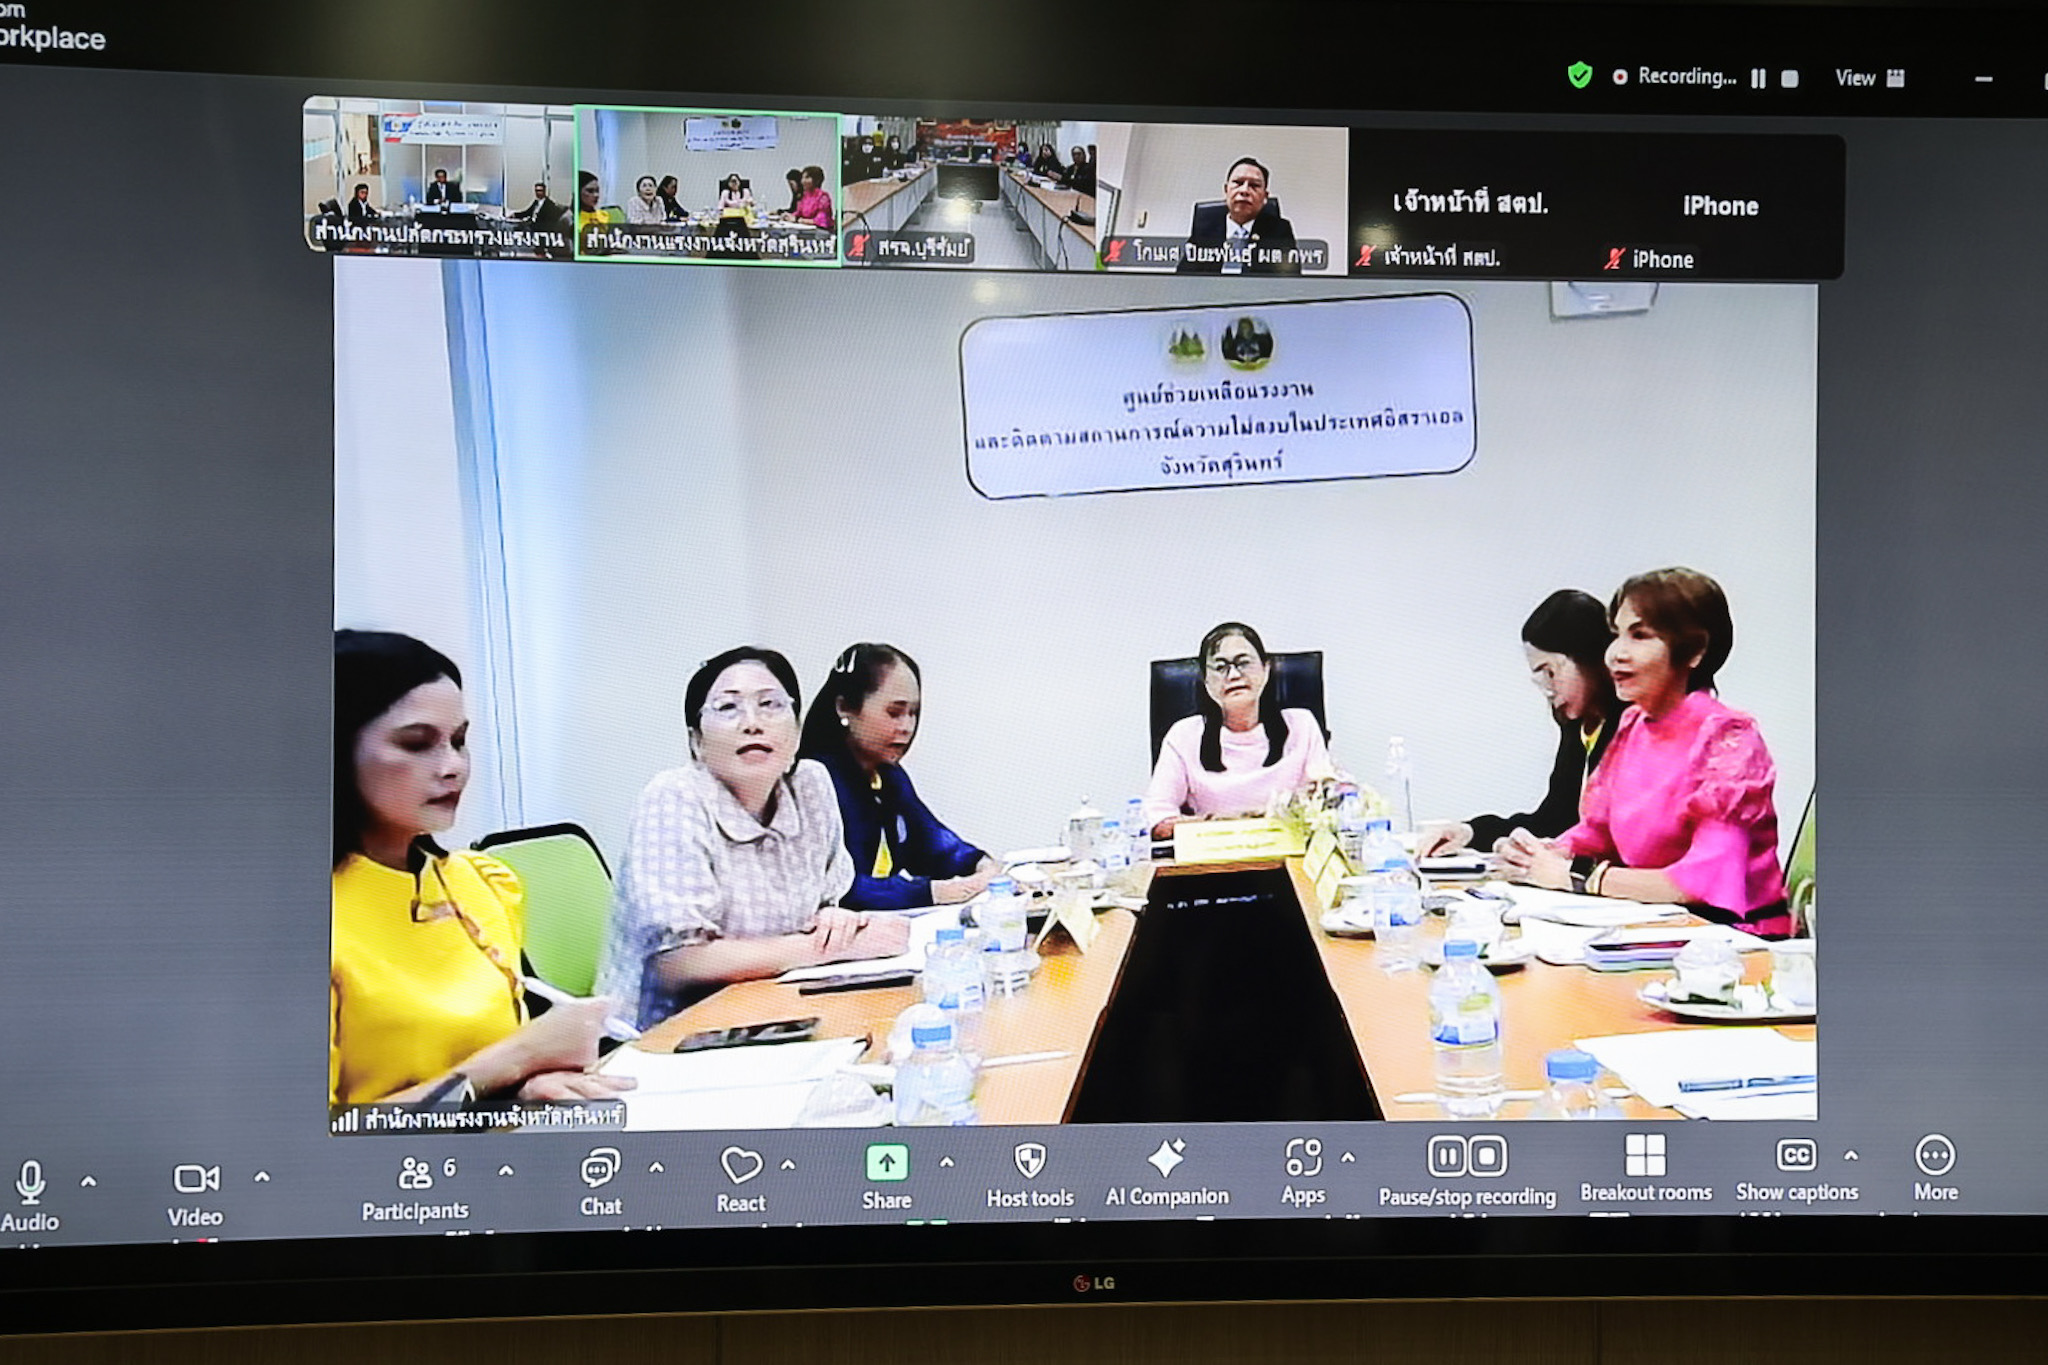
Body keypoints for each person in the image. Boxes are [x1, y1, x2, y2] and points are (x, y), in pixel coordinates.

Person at [330, 630, 632, 1109]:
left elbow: (484, 1073)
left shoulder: (479, 883)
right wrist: (519, 1059)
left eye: (459, 741)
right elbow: (314, 1138)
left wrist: (524, 1085)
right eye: (416, 744)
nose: (453, 766)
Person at [596, 648, 910, 1028]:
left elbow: (824, 902)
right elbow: (677, 963)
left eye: (770, 704)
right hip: (668, 1033)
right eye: (728, 708)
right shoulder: (673, 798)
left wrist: (834, 922)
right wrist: (825, 948)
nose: (752, 723)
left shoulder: (810, 786)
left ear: (797, 732)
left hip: (777, 1011)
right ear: (696, 742)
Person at [1497, 569, 1790, 937]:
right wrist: (1543, 853)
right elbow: (1597, 832)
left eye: (1639, 636)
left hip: (1736, 939)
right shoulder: (1633, 723)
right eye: (1617, 634)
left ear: (1695, 650)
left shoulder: (1728, 737)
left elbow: (1700, 882)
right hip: (1659, 927)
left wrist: (1579, 876)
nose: (1615, 654)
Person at [1418, 590, 1623, 857]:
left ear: (1589, 658)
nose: (1548, 690)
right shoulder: (1579, 731)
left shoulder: (1632, 728)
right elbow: (1553, 820)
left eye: (1551, 672)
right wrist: (1470, 833)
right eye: (1540, 679)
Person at [798, 643, 999, 912]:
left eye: (913, 713)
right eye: (894, 713)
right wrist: (935, 892)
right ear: (845, 707)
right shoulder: (813, 782)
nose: (906, 727)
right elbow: (837, 887)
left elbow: (933, 844)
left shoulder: (889, 777)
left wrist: (982, 865)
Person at [1142, 622, 1332, 839]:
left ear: (1266, 669)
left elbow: (1328, 798)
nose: (1233, 675)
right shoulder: (1183, 736)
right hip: (1214, 854)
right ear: (1206, 681)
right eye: (1220, 667)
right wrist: (1221, 825)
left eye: (1243, 663)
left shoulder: (1302, 725)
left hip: (1291, 853)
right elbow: (1157, 818)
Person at [1176, 156, 1300, 277]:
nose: (1244, 190)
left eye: (1254, 185)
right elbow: (1183, 278)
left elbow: (1288, 281)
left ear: (1265, 197)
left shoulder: (1279, 231)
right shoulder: (1205, 228)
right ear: (1226, 190)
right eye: (1238, 183)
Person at [791, 165, 834, 229]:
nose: (803, 181)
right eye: (802, 178)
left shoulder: (823, 197)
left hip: (821, 231)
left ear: (816, 180)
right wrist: (788, 216)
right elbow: (799, 212)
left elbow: (821, 221)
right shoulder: (805, 196)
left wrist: (798, 220)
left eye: (807, 178)